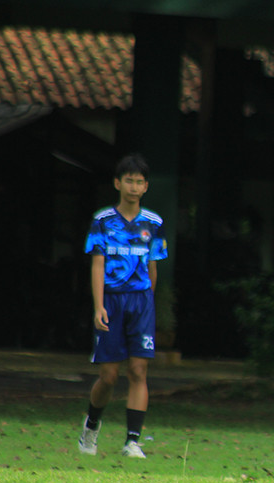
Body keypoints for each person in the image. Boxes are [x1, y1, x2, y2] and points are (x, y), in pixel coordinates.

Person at [77, 154, 168, 459]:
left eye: (139, 182)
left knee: (139, 370)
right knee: (109, 376)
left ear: (146, 187)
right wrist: (98, 306)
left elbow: (153, 268)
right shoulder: (103, 221)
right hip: (111, 301)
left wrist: (148, 303)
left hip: (141, 302)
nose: (134, 187)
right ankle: (91, 426)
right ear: (117, 183)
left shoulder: (154, 223)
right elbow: (97, 265)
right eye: (129, 180)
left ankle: (132, 441)